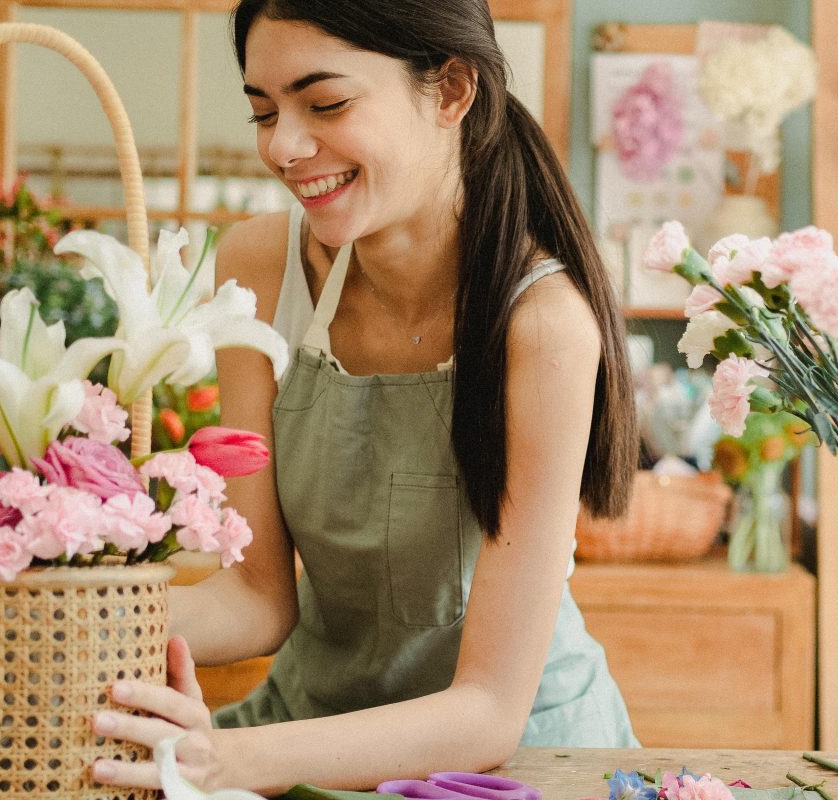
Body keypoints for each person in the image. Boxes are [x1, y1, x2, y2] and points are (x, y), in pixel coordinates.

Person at [88, 0, 639, 794]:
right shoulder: (261, 268)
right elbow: (257, 597)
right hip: (311, 730)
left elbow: (487, 709)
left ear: (451, 91)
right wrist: (75, 622)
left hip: (511, 762)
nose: (283, 146)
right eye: (264, 111)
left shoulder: (543, 324)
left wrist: (228, 761)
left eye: (328, 103)